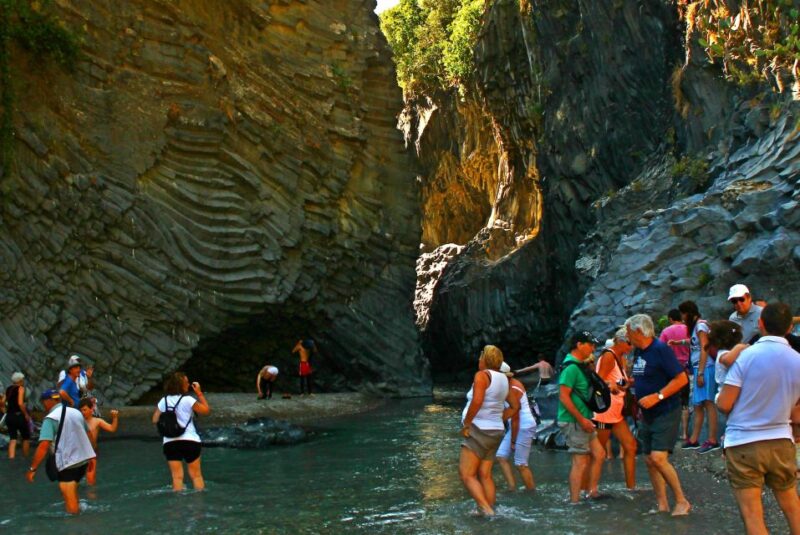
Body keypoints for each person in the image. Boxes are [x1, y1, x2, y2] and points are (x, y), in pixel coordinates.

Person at [717, 303, 800, 534]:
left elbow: (724, 404)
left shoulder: (746, 356)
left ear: (760, 324)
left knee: (752, 513)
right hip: (781, 440)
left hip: (744, 442)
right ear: (789, 328)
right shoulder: (797, 360)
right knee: (792, 504)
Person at [627, 313, 691, 516]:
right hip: (646, 413)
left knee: (658, 458)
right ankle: (662, 504)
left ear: (638, 331)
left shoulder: (660, 349)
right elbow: (644, 377)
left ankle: (682, 501)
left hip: (666, 410)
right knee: (649, 459)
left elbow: (681, 379)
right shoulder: (639, 351)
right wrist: (627, 384)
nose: (627, 336)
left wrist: (658, 396)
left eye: (629, 332)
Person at [459, 345, 519, 516]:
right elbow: (515, 406)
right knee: (485, 474)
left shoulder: (482, 375)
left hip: (479, 430)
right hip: (496, 431)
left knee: (467, 475)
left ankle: (486, 509)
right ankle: (490, 508)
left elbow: (477, 401)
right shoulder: (504, 379)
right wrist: (500, 418)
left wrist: (467, 423)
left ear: (485, 359)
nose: (479, 360)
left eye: (480, 357)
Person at [26, 389, 95, 515]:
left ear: (48, 401)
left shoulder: (51, 418)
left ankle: (76, 523)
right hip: (82, 461)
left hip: (67, 464)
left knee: (68, 497)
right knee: (73, 492)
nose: (43, 405)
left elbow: (43, 445)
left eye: (43, 402)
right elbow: (89, 434)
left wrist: (33, 468)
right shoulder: (76, 412)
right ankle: (79, 512)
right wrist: (92, 457)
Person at [557, 331, 606, 503]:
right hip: (575, 421)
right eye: (590, 344)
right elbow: (563, 396)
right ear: (579, 345)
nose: (593, 348)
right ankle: (574, 502)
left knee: (599, 454)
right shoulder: (571, 368)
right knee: (580, 461)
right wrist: (581, 419)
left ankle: (591, 491)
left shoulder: (580, 366)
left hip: (583, 419)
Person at [590, 328, 637, 490]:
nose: (632, 346)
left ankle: (631, 488)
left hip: (615, 412)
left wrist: (627, 383)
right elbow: (598, 380)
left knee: (631, 446)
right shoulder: (609, 356)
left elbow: (619, 382)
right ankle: (587, 490)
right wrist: (610, 385)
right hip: (605, 411)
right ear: (621, 341)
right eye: (630, 343)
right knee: (598, 452)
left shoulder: (620, 358)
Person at [151, 372, 210, 491]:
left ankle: (177, 501)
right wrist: (199, 393)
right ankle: (199, 500)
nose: (188, 384)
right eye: (186, 382)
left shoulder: (164, 401)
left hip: (170, 442)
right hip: (190, 441)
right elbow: (206, 410)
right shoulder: (188, 400)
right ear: (181, 385)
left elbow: (154, 419)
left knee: (177, 477)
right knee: (196, 476)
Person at [673, 301, 718, 453]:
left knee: (709, 402)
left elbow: (704, 347)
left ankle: (712, 439)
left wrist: (701, 372)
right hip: (699, 367)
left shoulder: (700, 326)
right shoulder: (696, 328)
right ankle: (694, 439)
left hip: (706, 367)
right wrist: (678, 342)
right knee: (698, 404)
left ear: (688, 313)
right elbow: (694, 343)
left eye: (683, 314)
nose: (682, 317)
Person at [496, 362, 537, 491]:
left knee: (521, 464)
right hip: (517, 426)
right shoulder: (507, 385)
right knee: (501, 456)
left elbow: (515, 418)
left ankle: (531, 492)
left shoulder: (513, 388)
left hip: (523, 426)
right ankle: (512, 488)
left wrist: (513, 441)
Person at [659, 309, 691, 442]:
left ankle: (670, 432)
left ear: (671, 319)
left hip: (670, 370)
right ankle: (684, 433)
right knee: (684, 402)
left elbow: (660, 349)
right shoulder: (688, 329)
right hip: (686, 369)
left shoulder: (666, 331)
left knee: (669, 400)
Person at [78, 398, 119, 485]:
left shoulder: (97, 421)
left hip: (92, 452)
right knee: (75, 479)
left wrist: (115, 418)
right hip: (79, 452)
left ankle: (91, 492)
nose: (83, 412)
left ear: (91, 409)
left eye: (85, 410)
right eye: (81, 410)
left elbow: (112, 429)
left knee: (91, 479)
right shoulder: (78, 421)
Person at [5, 372, 31, 459]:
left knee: (13, 438)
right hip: (18, 416)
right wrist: (26, 414)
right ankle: (26, 457)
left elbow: (2, 402)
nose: (23, 381)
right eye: (22, 380)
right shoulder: (20, 388)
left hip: (9, 416)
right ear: (20, 380)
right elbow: (20, 403)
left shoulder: (8, 389)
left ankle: (11, 458)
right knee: (26, 437)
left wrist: (6, 410)